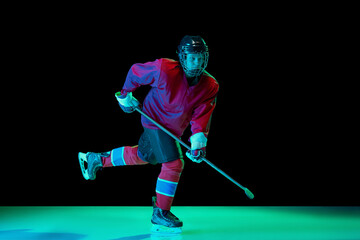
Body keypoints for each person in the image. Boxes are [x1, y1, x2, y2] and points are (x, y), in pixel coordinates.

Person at [78, 35, 219, 233]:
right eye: (191, 58)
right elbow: (136, 72)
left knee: (143, 156)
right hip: (154, 121)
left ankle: (97, 160)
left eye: (200, 58)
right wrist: (126, 94)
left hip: (174, 131)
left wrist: (198, 144)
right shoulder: (164, 68)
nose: (195, 63)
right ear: (182, 57)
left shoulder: (210, 85)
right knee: (174, 163)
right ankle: (160, 212)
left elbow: (202, 115)